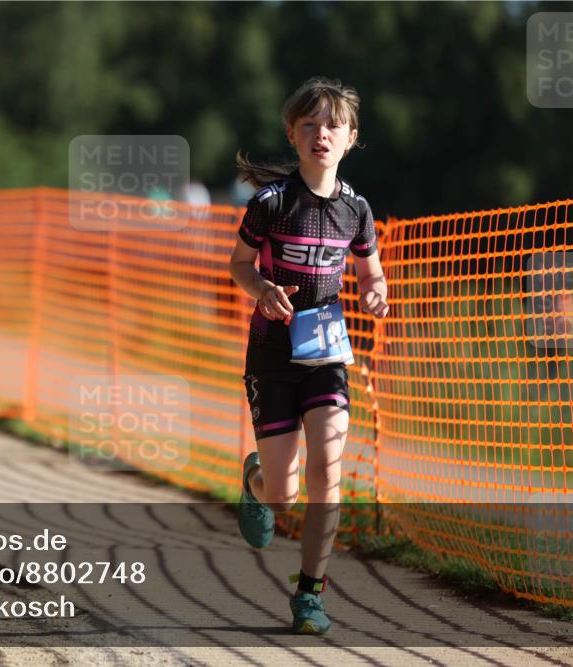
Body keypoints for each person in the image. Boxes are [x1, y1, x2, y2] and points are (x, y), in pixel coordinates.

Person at [228, 77, 389, 635]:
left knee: (327, 470)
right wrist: (262, 290)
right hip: (272, 358)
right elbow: (239, 265)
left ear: (351, 139)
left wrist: (375, 293)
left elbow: (371, 272)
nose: (322, 133)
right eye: (310, 124)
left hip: (326, 358)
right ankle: (255, 482)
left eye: (333, 125)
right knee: (285, 492)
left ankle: (310, 595)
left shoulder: (357, 211)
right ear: (293, 136)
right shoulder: (270, 204)